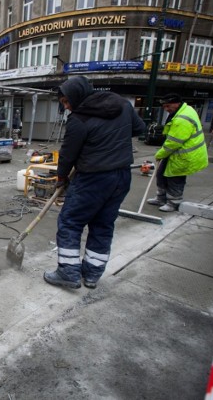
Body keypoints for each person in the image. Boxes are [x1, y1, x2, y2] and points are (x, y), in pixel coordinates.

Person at [44, 76, 146, 289]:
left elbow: (67, 155)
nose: (67, 106)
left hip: (93, 179)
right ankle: (92, 274)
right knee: (103, 224)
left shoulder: (78, 120)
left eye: (66, 101)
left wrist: (61, 178)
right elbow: (139, 128)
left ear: (78, 95)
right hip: (121, 177)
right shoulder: (122, 105)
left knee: (70, 222)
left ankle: (68, 272)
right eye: (63, 103)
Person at [146, 93, 209, 212]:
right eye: (164, 106)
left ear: (177, 103)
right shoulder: (184, 110)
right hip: (177, 153)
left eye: (168, 106)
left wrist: (160, 154)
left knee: (175, 178)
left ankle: (174, 202)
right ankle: (161, 198)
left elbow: (174, 142)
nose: (166, 109)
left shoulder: (182, 119)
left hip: (184, 154)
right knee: (161, 174)